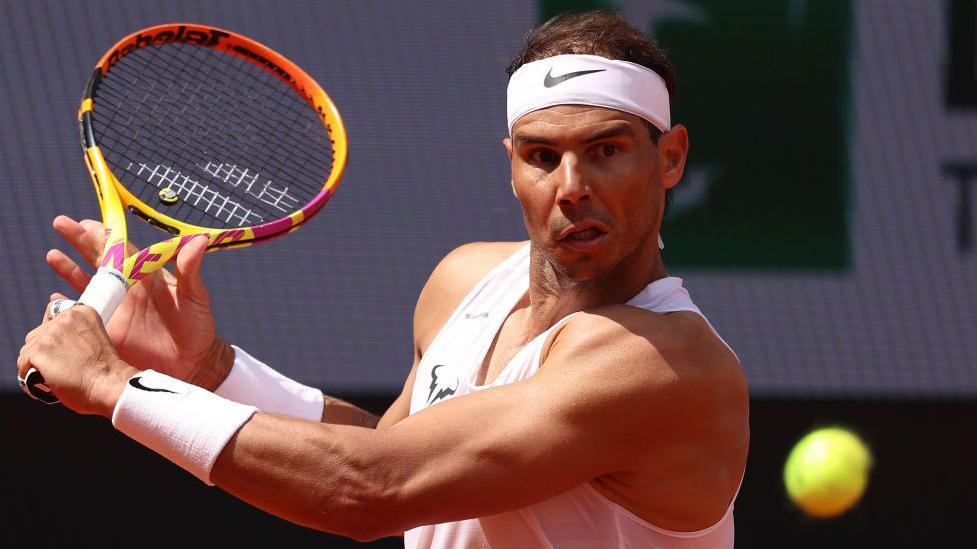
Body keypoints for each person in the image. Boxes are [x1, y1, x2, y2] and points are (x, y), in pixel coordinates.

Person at [18, 11, 749, 548]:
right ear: (510, 162)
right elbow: (399, 448)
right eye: (540, 155)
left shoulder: (661, 365)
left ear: (671, 158)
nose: (571, 185)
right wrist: (210, 370)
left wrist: (115, 386)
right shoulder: (465, 280)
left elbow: (370, 488)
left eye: (606, 150)